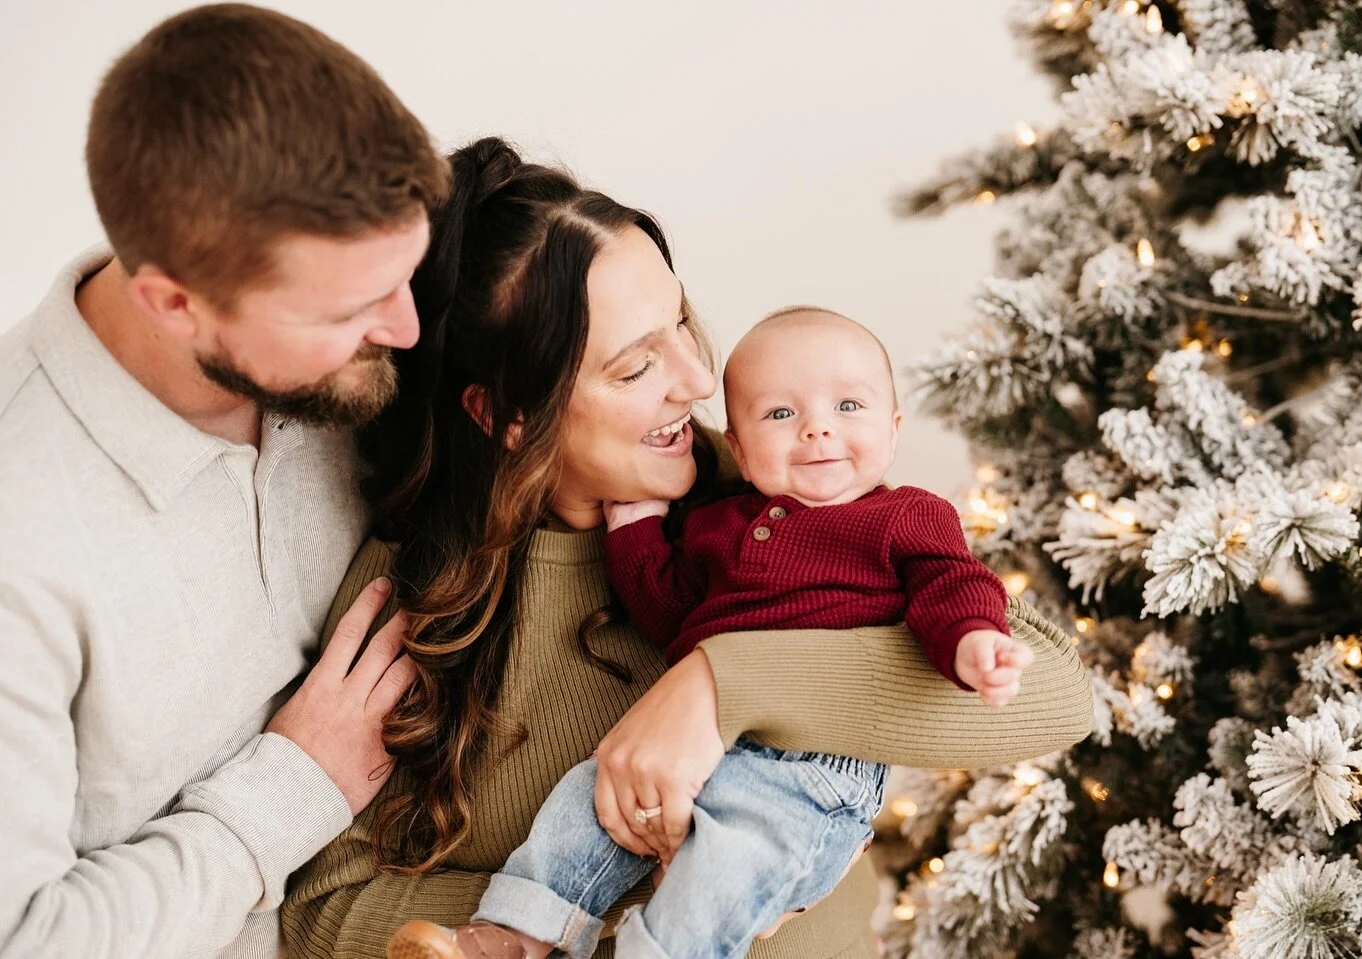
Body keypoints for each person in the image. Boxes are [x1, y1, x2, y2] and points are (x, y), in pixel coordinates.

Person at [281, 136, 1093, 959]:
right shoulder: (418, 597)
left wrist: (717, 686)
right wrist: (667, 903)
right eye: (637, 366)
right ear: (505, 415)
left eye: (679, 322)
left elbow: (1058, 694)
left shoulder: (766, 495)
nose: (699, 382)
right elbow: (322, 912)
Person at [0, 6, 448, 957]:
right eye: (354, 306)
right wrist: (293, 784)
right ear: (175, 300)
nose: (407, 328)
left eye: (404, 273)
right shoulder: (21, 539)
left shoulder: (339, 359)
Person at [387, 306, 1036, 959]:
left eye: (848, 405)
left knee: (729, 863)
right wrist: (635, 526)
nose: (817, 428)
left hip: (810, 773)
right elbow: (669, 611)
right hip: (697, 757)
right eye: (781, 415)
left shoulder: (905, 516)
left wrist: (973, 638)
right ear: (741, 449)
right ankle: (512, 935)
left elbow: (951, 583)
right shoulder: (717, 523)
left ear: (893, 430)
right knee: (586, 799)